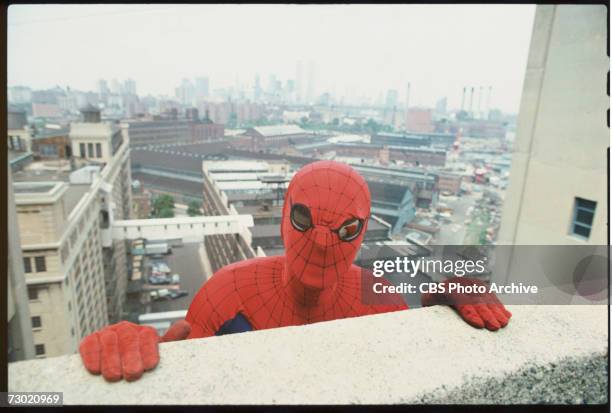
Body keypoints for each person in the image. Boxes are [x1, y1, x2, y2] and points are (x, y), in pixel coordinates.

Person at [79, 160, 511, 382]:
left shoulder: (383, 302)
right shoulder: (227, 294)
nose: (322, 242)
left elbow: (420, 372)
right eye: (305, 219)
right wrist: (145, 353)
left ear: (362, 234)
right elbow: (182, 374)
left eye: (346, 229)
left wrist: (440, 309)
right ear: (285, 218)